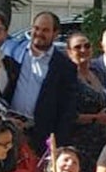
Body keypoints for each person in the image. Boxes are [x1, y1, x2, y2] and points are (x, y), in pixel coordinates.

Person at [6, 11, 77, 159]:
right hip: (8, 126)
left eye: (45, 30)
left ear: (55, 33)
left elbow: (67, 110)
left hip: (38, 134)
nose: (39, 33)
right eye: (36, 28)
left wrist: (58, 144)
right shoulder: (13, 52)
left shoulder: (65, 66)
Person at [65, 32, 106, 172]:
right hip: (78, 142)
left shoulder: (97, 73)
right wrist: (96, 118)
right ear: (69, 52)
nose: (83, 50)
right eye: (77, 47)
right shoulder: (68, 77)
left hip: (100, 141)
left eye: (86, 46)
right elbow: (67, 115)